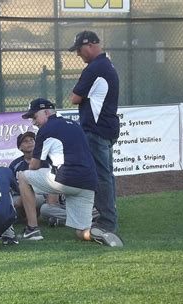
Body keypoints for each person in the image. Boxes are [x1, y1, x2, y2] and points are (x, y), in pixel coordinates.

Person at [17, 98, 123, 247]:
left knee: (22, 177)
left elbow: (33, 166)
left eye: (34, 117)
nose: (33, 122)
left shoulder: (45, 130)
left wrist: (35, 183)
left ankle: (32, 230)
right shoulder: (74, 125)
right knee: (81, 232)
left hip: (67, 179)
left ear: (47, 112)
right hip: (89, 182)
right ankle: (97, 234)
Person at [69, 30, 121, 240]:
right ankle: (108, 214)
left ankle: (107, 221)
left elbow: (74, 98)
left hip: (96, 129)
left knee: (101, 176)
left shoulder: (95, 67)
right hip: (106, 127)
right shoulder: (106, 64)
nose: (78, 55)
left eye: (80, 50)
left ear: (90, 45)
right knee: (105, 175)